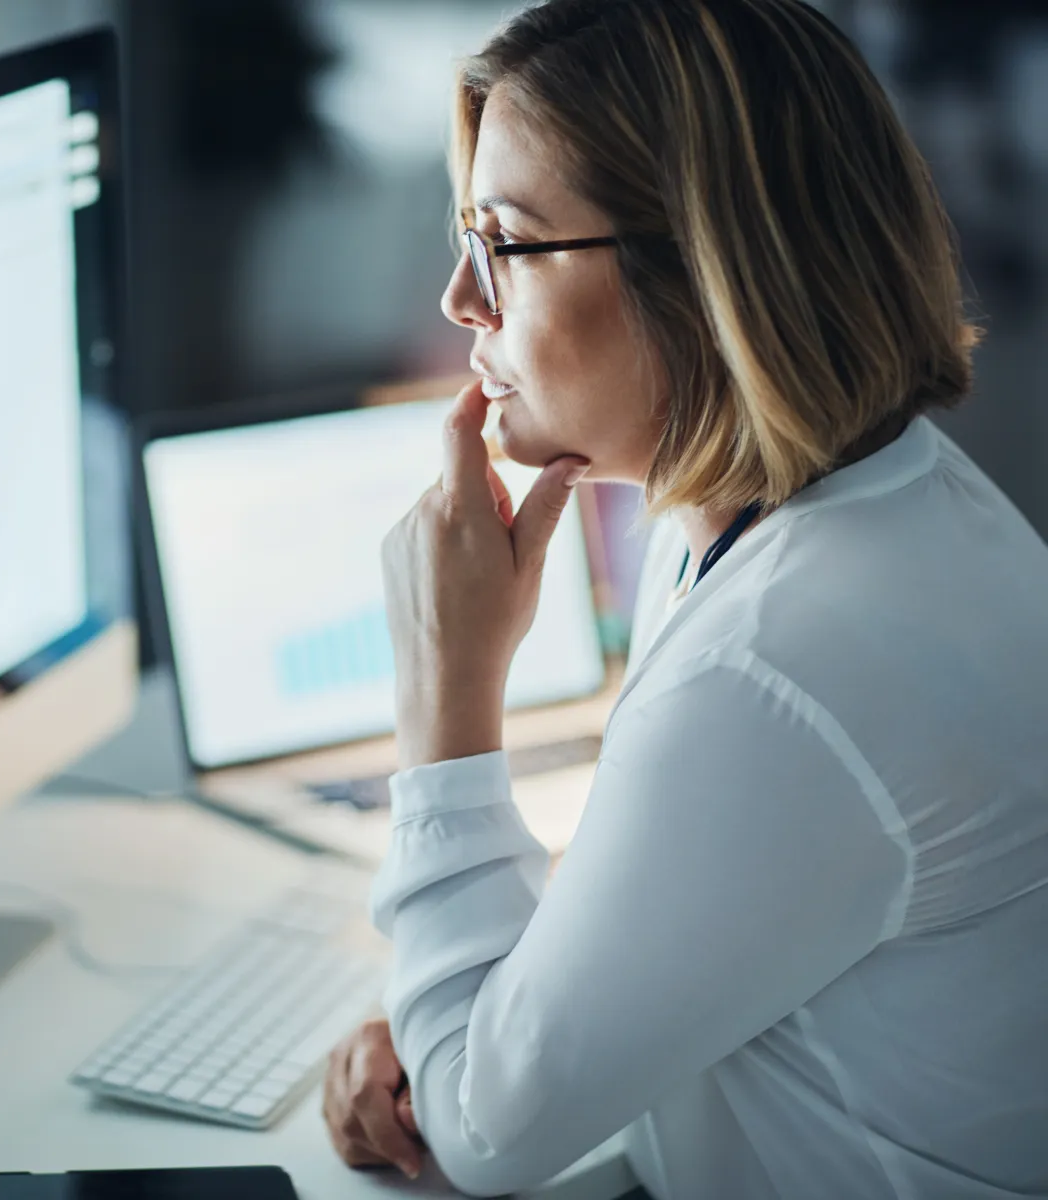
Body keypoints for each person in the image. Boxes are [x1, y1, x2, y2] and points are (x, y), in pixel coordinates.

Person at [321, 1, 1048, 1197]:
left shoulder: (782, 663)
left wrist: (446, 696)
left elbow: (476, 1142)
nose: (461, 298)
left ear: (702, 273)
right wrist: (469, 1011)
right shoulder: (843, 498)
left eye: (505, 240)